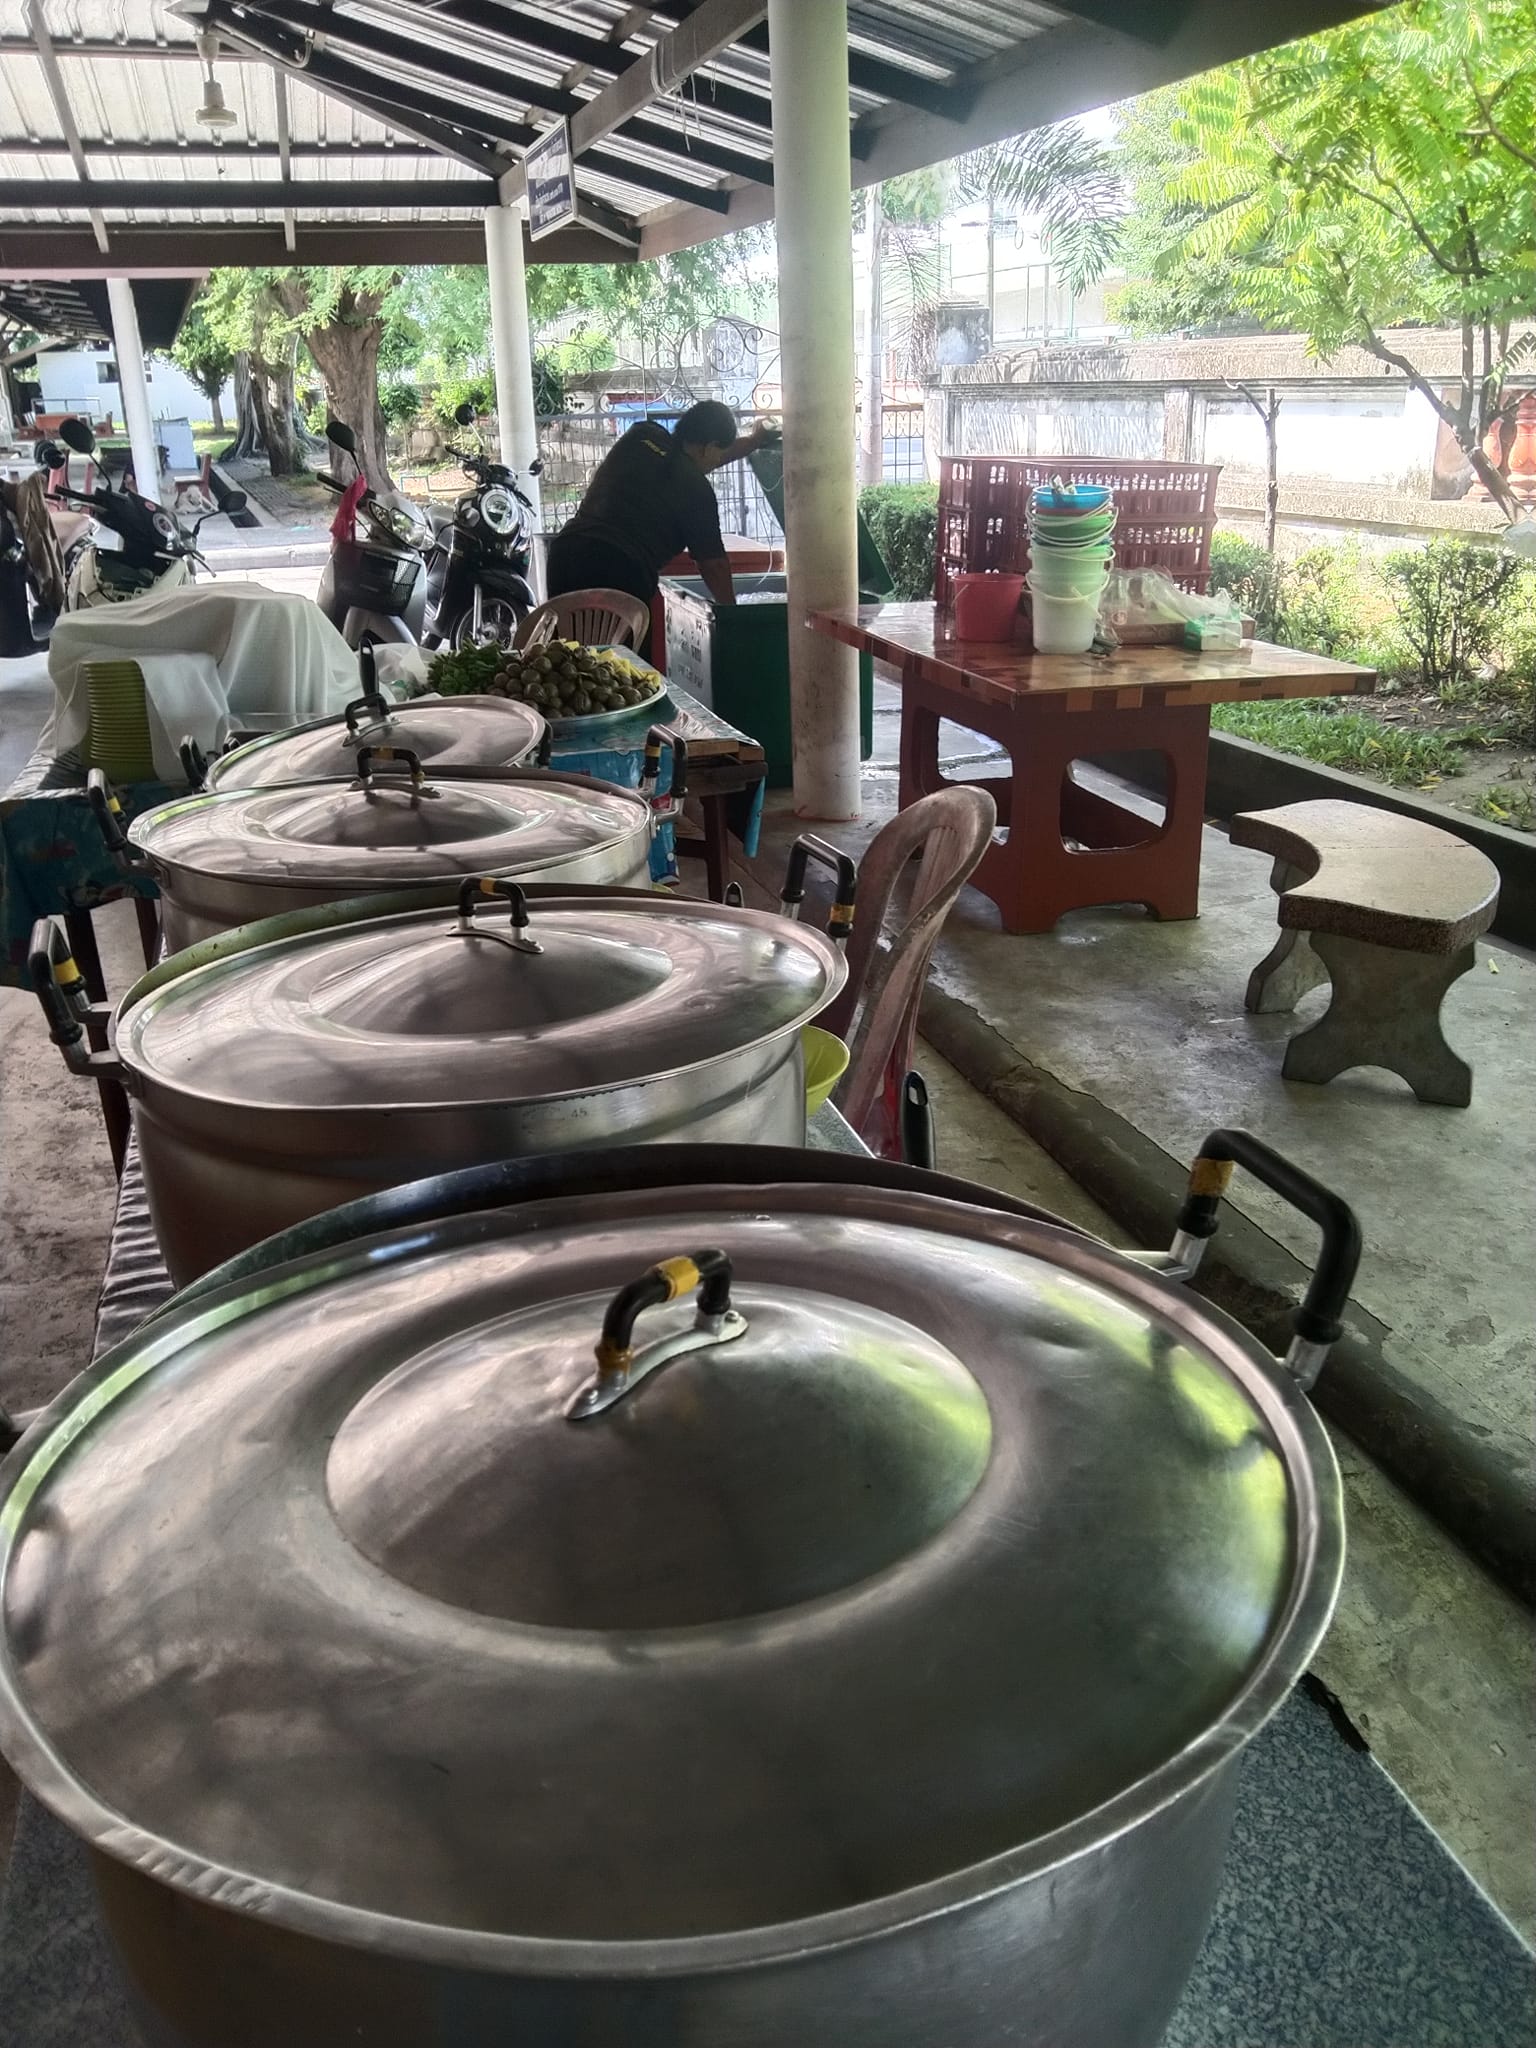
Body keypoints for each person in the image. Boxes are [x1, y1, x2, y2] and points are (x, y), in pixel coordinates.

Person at [544, 402, 776, 611]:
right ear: (710, 447)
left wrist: (754, 441)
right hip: (618, 571)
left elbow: (688, 462)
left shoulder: (642, 434)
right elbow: (713, 565)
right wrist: (732, 615)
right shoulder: (697, 491)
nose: (718, 462)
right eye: (719, 454)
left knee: (569, 644)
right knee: (618, 647)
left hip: (566, 555)